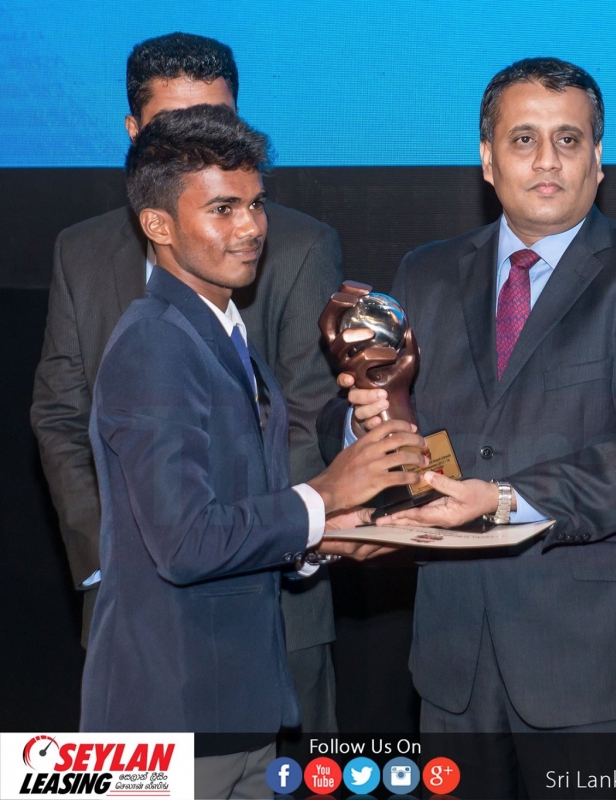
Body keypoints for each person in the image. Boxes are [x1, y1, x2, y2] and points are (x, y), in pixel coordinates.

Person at [319, 57, 616, 796]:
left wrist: (503, 498)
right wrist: (369, 425)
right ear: (487, 159)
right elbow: (410, 434)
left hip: (599, 667)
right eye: (524, 139)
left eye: (569, 140)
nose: (547, 160)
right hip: (454, 658)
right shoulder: (425, 273)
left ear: (598, 159)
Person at [81, 104, 424, 799]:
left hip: (236, 707)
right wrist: (325, 494)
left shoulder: (222, 332)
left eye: (256, 204)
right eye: (223, 209)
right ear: (158, 225)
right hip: (167, 717)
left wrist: (323, 538)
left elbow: (237, 514)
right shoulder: (154, 343)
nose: (251, 228)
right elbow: (185, 543)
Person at [29, 33, 343, 738]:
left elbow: (307, 415)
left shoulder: (296, 245)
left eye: (219, 122)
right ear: (133, 132)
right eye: (177, 126)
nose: (204, 141)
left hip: (277, 605)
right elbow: (61, 416)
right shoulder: (81, 251)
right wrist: (119, 561)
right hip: (138, 627)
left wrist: (287, 536)